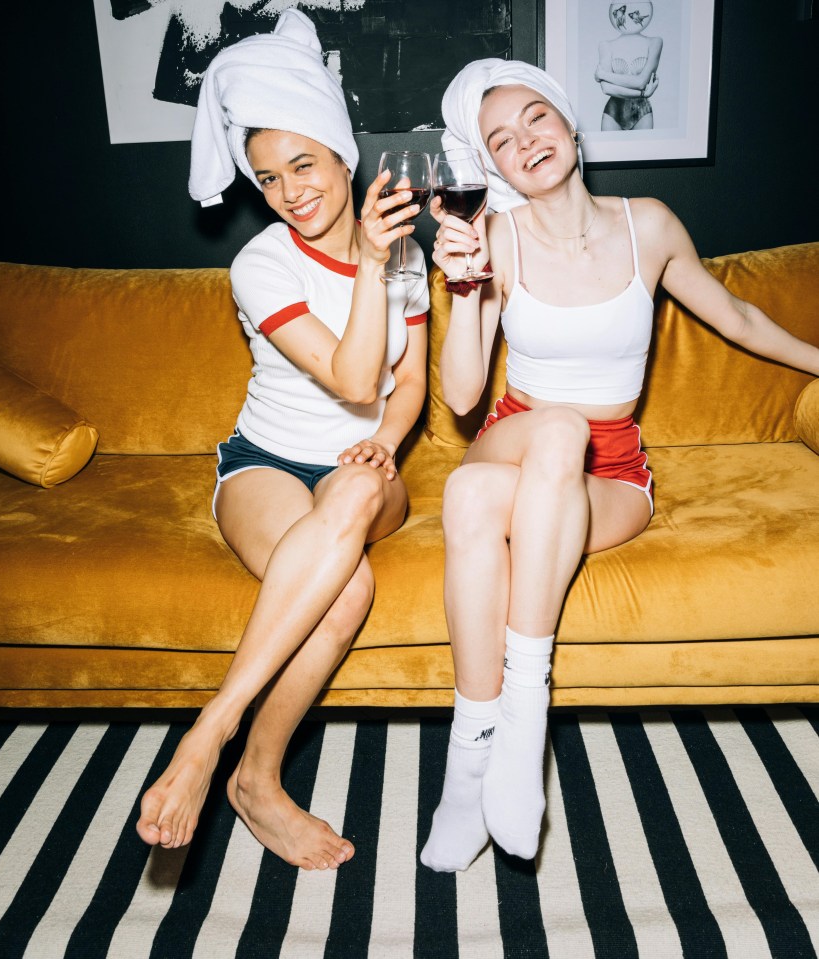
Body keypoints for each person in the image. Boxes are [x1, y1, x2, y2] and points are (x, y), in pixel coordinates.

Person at [420, 57, 819, 873]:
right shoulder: (494, 235)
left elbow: (738, 315)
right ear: (490, 167)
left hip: (612, 475)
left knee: (467, 497)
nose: (523, 141)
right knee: (555, 425)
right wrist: (462, 288)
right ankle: (523, 708)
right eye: (500, 139)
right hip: (516, 432)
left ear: (568, 123)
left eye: (534, 118)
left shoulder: (651, 226)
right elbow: (461, 397)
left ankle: (468, 765)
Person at [136, 9, 429, 871]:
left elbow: (398, 383)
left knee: (349, 488)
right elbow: (346, 374)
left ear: (343, 154)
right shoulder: (261, 264)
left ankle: (208, 738)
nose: (290, 190)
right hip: (263, 462)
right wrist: (373, 266)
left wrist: (387, 440)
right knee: (345, 591)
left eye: (303, 163)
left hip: (365, 469)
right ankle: (246, 770)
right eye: (266, 178)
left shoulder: (399, 249)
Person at [595, 3, 663, 131]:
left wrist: (603, 75)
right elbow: (606, 88)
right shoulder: (606, 45)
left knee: (645, 151)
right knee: (610, 151)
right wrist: (643, 94)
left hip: (642, 113)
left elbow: (641, 82)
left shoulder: (655, 42)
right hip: (613, 112)